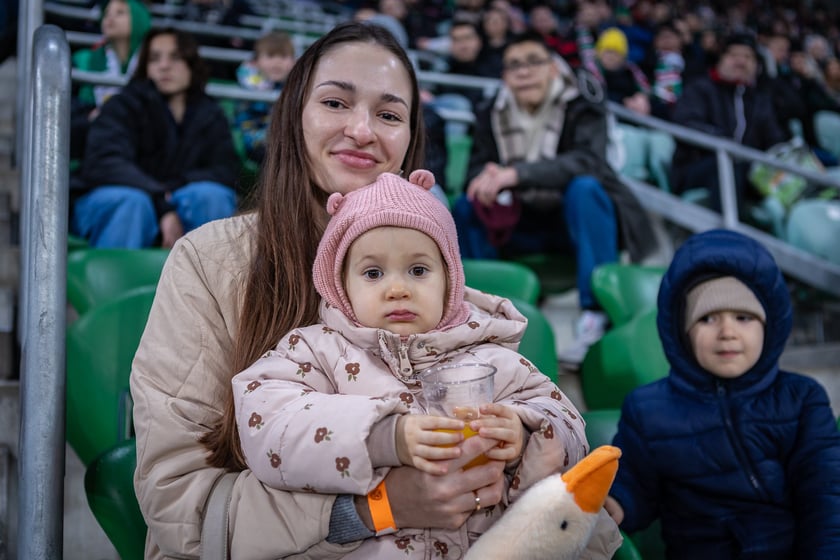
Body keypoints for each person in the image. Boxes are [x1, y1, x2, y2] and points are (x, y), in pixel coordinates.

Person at [129, 22, 605, 559]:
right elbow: (176, 505)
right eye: (336, 102)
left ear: (409, 141)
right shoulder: (210, 261)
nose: (361, 130)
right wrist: (377, 507)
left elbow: (548, 459)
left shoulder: (439, 291)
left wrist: (540, 483)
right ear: (293, 118)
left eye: (388, 114)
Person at [231, 170, 618, 557]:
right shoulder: (313, 352)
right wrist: (385, 437)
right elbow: (267, 422)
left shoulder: (491, 355)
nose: (398, 288)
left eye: (418, 270)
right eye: (373, 273)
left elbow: (567, 424)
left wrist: (522, 433)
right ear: (340, 284)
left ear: (449, 281)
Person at [604, 228, 840, 558]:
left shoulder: (802, 399)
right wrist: (614, 501)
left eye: (743, 318)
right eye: (708, 318)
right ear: (682, 332)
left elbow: (826, 501)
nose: (727, 332)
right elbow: (633, 487)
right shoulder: (648, 409)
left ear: (768, 327)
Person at [451, 31, 657, 368]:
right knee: (467, 204)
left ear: (552, 68)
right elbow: (475, 168)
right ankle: (484, 310)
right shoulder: (491, 112)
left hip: (572, 224)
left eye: (533, 61)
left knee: (585, 188)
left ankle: (595, 315)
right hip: (519, 223)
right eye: (514, 65)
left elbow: (589, 161)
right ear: (504, 76)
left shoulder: (582, 104)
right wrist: (485, 175)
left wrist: (516, 174)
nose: (523, 71)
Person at [71, 28, 239, 249]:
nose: (164, 66)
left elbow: (226, 169)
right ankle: (118, 283)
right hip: (113, 199)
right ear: (145, 67)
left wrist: (173, 188)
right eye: (154, 58)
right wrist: (161, 200)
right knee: (132, 203)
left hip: (173, 195)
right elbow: (106, 163)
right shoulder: (122, 105)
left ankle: (212, 283)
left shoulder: (211, 113)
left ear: (192, 64)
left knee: (211, 197)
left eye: (175, 57)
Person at [670, 31, 788, 215]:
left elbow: (774, 139)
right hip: (697, 167)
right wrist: (728, 145)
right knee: (727, 167)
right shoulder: (700, 88)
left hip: (747, 169)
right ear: (721, 60)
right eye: (734, 55)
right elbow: (686, 124)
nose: (741, 61)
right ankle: (730, 237)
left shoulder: (758, 99)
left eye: (748, 57)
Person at [70, 0, 151, 159]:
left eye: (120, 13)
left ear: (139, 20)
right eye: (107, 13)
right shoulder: (82, 60)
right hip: (90, 147)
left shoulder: (155, 65)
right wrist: (89, 116)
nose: (110, 18)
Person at [233, 30, 296, 164]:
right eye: (271, 56)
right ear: (256, 61)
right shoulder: (251, 82)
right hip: (254, 137)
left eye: (284, 57)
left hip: (284, 138)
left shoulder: (294, 84)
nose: (277, 62)